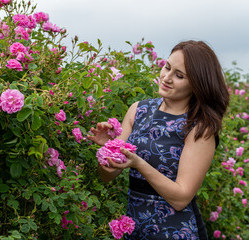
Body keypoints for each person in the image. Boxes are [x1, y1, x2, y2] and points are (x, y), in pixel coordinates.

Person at [87, 40, 229, 239]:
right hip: (135, 228)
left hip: (175, 231)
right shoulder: (138, 110)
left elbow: (181, 198)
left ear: (196, 84)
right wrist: (110, 151)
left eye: (179, 76)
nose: (167, 77)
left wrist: (138, 163)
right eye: (167, 67)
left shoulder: (199, 128)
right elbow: (106, 176)